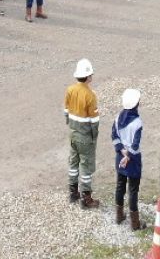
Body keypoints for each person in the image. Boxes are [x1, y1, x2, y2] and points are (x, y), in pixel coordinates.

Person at [64, 58, 100, 208]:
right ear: (89, 76)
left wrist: (72, 126)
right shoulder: (90, 95)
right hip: (85, 137)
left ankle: (73, 193)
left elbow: (66, 111)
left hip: (73, 133)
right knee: (85, 166)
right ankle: (86, 198)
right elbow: (94, 121)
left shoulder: (70, 90)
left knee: (73, 162)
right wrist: (93, 137)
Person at [111, 88, 143, 230]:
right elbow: (135, 145)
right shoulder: (138, 122)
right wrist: (128, 156)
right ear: (136, 104)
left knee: (120, 185)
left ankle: (119, 216)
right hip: (133, 160)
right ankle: (134, 223)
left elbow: (114, 136)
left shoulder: (117, 118)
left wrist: (122, 152)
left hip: (120, 157)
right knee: (133, 190)